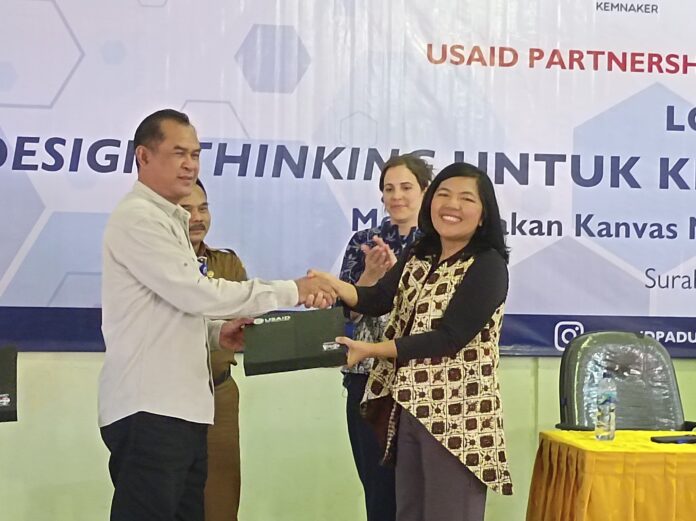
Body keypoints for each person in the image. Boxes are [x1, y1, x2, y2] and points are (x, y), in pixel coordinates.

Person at [98, 108, 335, 521]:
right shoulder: (139, 218)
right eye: (178, 153)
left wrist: (216, 336)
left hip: (186, 410)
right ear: (143, 156)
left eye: (195, 154)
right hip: (151, 408)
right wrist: (291, 290)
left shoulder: (170, 219)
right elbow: (196, 293)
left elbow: (171, 311)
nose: (190, 164)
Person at [312, 162, 513, 521]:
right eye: (444, 194)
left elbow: (449, 338)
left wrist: (372, 350)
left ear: (484, 215)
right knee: (407, 510)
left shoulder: (488, 265)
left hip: (457, 418)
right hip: (407, 406)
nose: (452, 205)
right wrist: (333, 284)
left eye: (466, 199)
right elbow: (378, 299)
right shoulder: (420, 253)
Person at [338, 154, 432, 521]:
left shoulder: (439, 244)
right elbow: (346, 315)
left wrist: (398, 282)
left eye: (406, 187)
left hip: (422, 380)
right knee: (379, 491)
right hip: (367, 381)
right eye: (389, 189)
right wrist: (369, 280)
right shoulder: (364, 241)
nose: (397, 196)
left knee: (422, 491)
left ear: (425, 191)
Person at [179, 178, 246, 521]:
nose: (197, 218)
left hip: (218, 392)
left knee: (220, 496)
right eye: (186, 210)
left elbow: (245, 316)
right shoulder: (154, 265)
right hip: (168, 396)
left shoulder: (227, 264)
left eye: (202, 208)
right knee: (169, 496)